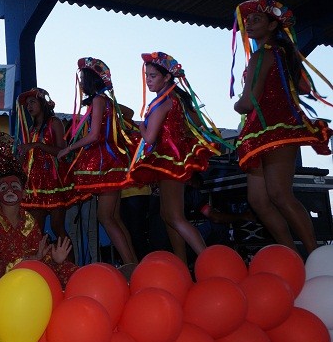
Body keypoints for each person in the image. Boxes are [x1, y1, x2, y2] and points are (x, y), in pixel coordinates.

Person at [232, 0, 331, 255]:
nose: (250, 24)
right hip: (267, 129)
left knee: (279, 194)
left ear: (273, 24)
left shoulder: (263, 54)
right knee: (260, 199)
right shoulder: (280, 53)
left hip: (272, 129)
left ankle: (314, 253)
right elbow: (304, 87)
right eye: (248, 20)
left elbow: (248, 100)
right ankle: (292, 254)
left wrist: (239, 105)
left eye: (257, 20)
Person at [127, 52, 224, 262]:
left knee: (174, 216)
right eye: (147, 76)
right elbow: (195, 123)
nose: (148, 80)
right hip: (172, 159)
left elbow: (150, 136)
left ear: (167, 77)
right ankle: (182, 262)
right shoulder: (175, 99)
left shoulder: (164, 102)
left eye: (153, 76)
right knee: (167, 216)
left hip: (168, 160)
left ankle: (209, 260)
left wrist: (139, 125)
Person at [57, 57, 138, 265]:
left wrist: (69, 147)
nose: (81, 82)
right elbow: (127, 114)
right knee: (115, 218)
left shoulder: (98, 101)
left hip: (105, 164)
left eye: (83, 77)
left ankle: (131, 266)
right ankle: (133, 263)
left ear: (92, 79)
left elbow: (93, 136)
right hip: (110, 162)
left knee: (106, 218)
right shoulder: (105, 101)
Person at [0, 135, 77, 287]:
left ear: (24, 193)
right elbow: (9, 258)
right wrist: (34, 259)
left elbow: (39, 251)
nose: (10, 190)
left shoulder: (29, 220)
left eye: (15, 187)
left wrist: (53, 258)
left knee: (67, 269)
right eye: (4, 188)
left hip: (31, 269)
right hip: (4, 276)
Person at [15, 88, 71, 243]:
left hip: (54, 184)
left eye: (32, 102)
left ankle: (70, 266)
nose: (29, 106)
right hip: (35, 186)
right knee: (36, 230)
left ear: (42, 103)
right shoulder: (31, 129)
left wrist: (38, 145)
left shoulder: (55, 123)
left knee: (57, 227)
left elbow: (62, 151)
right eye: (27, 104)